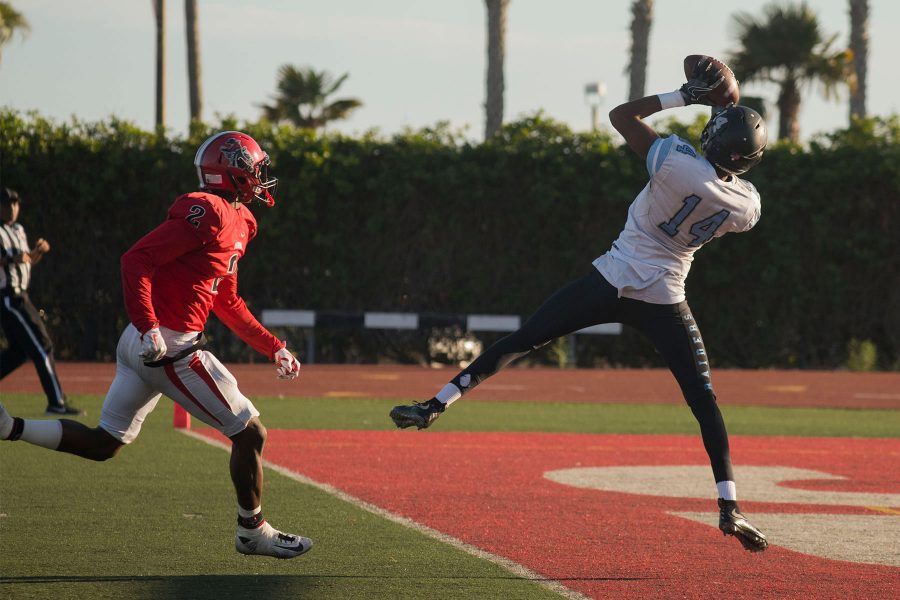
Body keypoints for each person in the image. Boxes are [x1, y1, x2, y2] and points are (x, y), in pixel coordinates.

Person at [390, 59, 769, 552]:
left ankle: (436, 404)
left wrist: (687, 96)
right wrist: (731, 115)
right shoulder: (746, 207)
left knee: (524, 339)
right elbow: (734, 169)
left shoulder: (676, 161)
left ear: (711, 138)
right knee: (703, 401)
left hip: (611, 277)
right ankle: (729, 505)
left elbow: (621, 115)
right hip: (665, 296)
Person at [0, 132, 312, 559]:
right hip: (170, 346)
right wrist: (151, 327)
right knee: (250, 432)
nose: (260, 177)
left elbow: (226, 298)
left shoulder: (242, 221)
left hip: (142, 343)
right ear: (234, 168)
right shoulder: (210, 210)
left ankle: (9, 428)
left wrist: (273, 345)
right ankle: (251, 531)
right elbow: (136, 260)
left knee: (105, 443)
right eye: (255, 168)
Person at [0, 187, 83, 416]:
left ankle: (57, 400)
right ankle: (56, 402)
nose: (12, 209)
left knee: (18, 352)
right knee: (43, 344)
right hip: (9, 296)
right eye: (7, 205)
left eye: (15, 204)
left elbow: (26, 261)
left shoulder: (17, 229)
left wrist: (38, 252)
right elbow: (12, 260)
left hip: (19, 295)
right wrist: (13, 259)